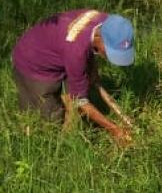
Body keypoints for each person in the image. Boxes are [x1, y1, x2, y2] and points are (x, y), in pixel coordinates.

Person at [12, 10, 135, 144]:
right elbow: (80, 101)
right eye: (111, 51)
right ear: (100, 39)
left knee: (76, 102)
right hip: (32, 63)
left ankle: (70, 131)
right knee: (50, 122)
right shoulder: (77, 52)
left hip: (59, 48)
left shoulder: (106, 22)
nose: (111, 58)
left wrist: (92, 69)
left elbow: (85, 44)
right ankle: (52, 150)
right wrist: (114, 129)